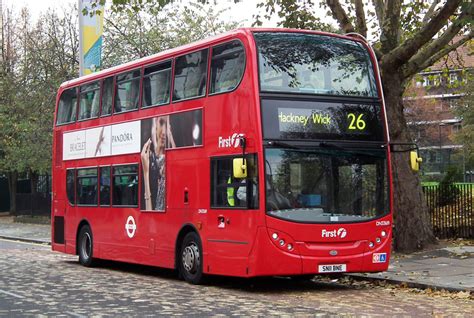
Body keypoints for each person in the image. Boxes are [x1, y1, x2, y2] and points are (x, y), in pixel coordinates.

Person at [141, 116, 176, 211]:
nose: (164, 132)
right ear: (154, 124)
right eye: (161, 123)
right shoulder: (148, 159)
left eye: (167, 126)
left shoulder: (170, 161)